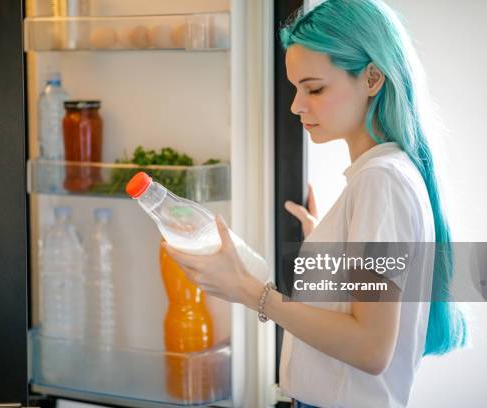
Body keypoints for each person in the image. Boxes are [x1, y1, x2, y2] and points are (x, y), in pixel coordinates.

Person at [162, 0, 468, 406]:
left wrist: (252, 292)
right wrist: (330, 241)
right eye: (295, 88)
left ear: (372, 78)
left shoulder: (381, 181)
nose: (296, 105)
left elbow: (370, 348)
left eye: (315, 88)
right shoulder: (386, 175)